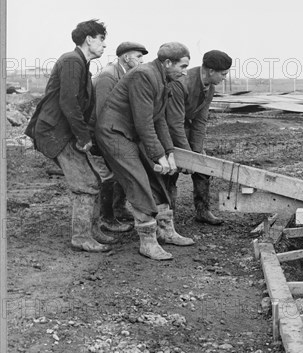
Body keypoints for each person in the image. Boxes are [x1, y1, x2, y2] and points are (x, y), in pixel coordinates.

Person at [95, 42, 195, 261]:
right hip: (114, 133)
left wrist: (169, 152)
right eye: (183, 66)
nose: (185, 72)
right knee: (138, 179)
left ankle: (165, 230)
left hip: (130, 133)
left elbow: (159, 119)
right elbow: (144, 124)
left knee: (156, 176)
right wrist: (159, 155)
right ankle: (147, 242)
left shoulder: (165, 79)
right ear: (168, 63)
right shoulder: (144, 75)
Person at [25, 19, 111, 253]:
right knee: (85, 182)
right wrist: (83, 137)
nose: (105, 45)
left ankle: (92, 231)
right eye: (102, 39)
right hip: (55, 132)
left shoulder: (81, 63)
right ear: (89, 39)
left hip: (62, 131)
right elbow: (69, 102)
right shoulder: (73, 61)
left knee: (93, 179)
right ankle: (81, 237)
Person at [165, 49, 232, 225]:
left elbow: (200, 122)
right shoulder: (182, 83)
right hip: (166, 130)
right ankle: (167, 218)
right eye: (223, 74)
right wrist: (187, 156)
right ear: (211, 71)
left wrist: (195, 154)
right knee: (169, 174)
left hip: (183, 127)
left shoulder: (209, 88)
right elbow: (174, 123)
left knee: (202, 168)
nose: (224, 78)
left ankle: (203, 211)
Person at [92, 41, 148, 234]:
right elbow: (101, 113)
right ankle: (106, 218)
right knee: (105, 175)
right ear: (126, 58)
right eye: (139, 57)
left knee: (120, 169)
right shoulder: (108, 76)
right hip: (98, 133)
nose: (142, 61)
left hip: (111, 131)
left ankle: (118, 208)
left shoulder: (125, 74)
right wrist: (101, 144)